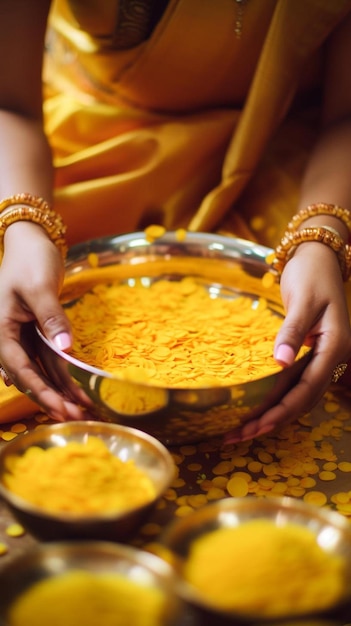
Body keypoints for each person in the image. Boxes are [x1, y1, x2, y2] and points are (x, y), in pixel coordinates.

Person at [0, 0, 351, 442]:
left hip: (283, 153)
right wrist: (23, 226)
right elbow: (10, 104)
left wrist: (322, 240)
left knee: (327, 323)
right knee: (20, 299)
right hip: (79, 146)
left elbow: (346, 118)